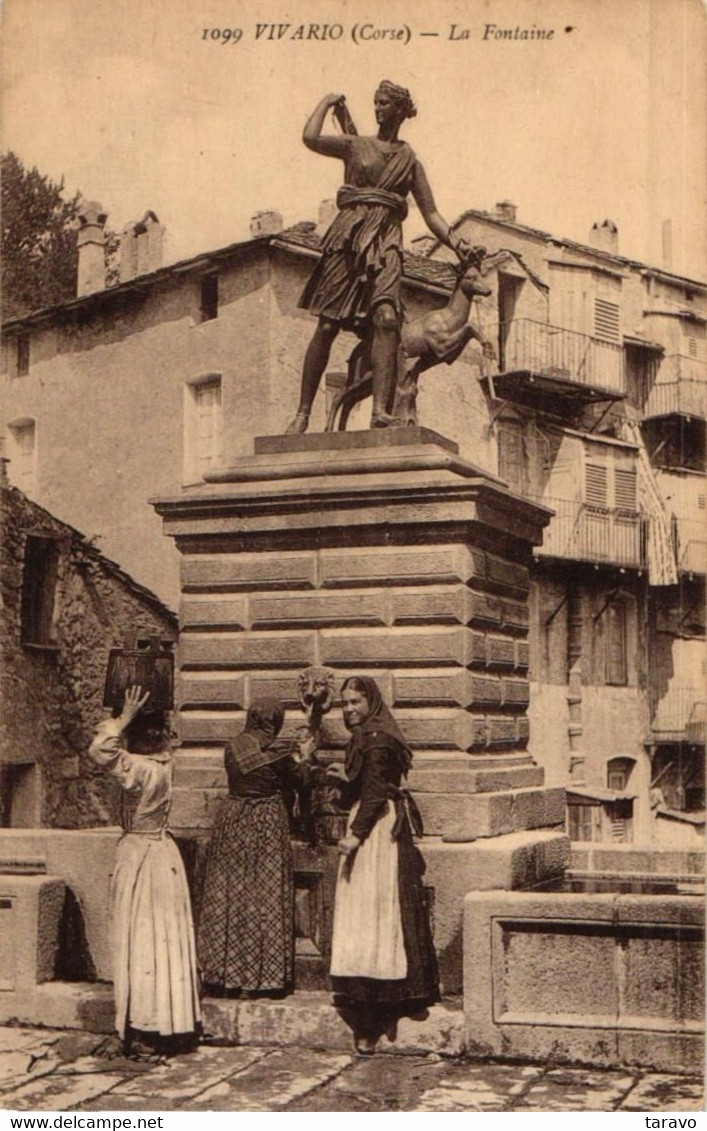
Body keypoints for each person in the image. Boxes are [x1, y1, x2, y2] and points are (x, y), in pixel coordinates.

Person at [286, 81, 472, 434]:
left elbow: (431, 215)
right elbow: (310, 138)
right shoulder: (355, 145)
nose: (378, 109)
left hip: (386, 239)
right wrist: (326, 101)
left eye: (385, 103)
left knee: (387, 320)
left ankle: (380, 413)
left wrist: (456, 243)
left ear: (401, 110)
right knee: (327, 324)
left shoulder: (410, 162)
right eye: (375, 103)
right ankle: (302, 414)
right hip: (348, 236)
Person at [89, 685, 201, 1057]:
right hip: (162, 854)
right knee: (163, 941)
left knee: (140, 941)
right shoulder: (162, 766)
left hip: (140, 857)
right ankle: (168, 1023)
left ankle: (145, 1026)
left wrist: (123, 718)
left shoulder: (141, 771)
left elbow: (101, 750)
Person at [330, 676, 439, 1054]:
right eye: (344, 704)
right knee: (380, 916)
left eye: (355, 702)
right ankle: (388, 1002)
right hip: (378, 825)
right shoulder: (372, 734)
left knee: (371, 918)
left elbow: (376, 791)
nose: (349, 710)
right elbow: (369, 785)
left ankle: (370, 1018)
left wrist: (355, 836)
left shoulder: (375, 739)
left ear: (371, 702)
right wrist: (345, 780)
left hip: (376, 833)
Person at [197, 698, 312, 997]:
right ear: (275, 721)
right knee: (265, 896)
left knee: (231, 894)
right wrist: (307, 757)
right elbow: (302, 781)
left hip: (232, 819)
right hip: (266, 823)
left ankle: (225, 974)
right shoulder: (279, 753)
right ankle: (264, 978)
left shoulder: (232, 746)